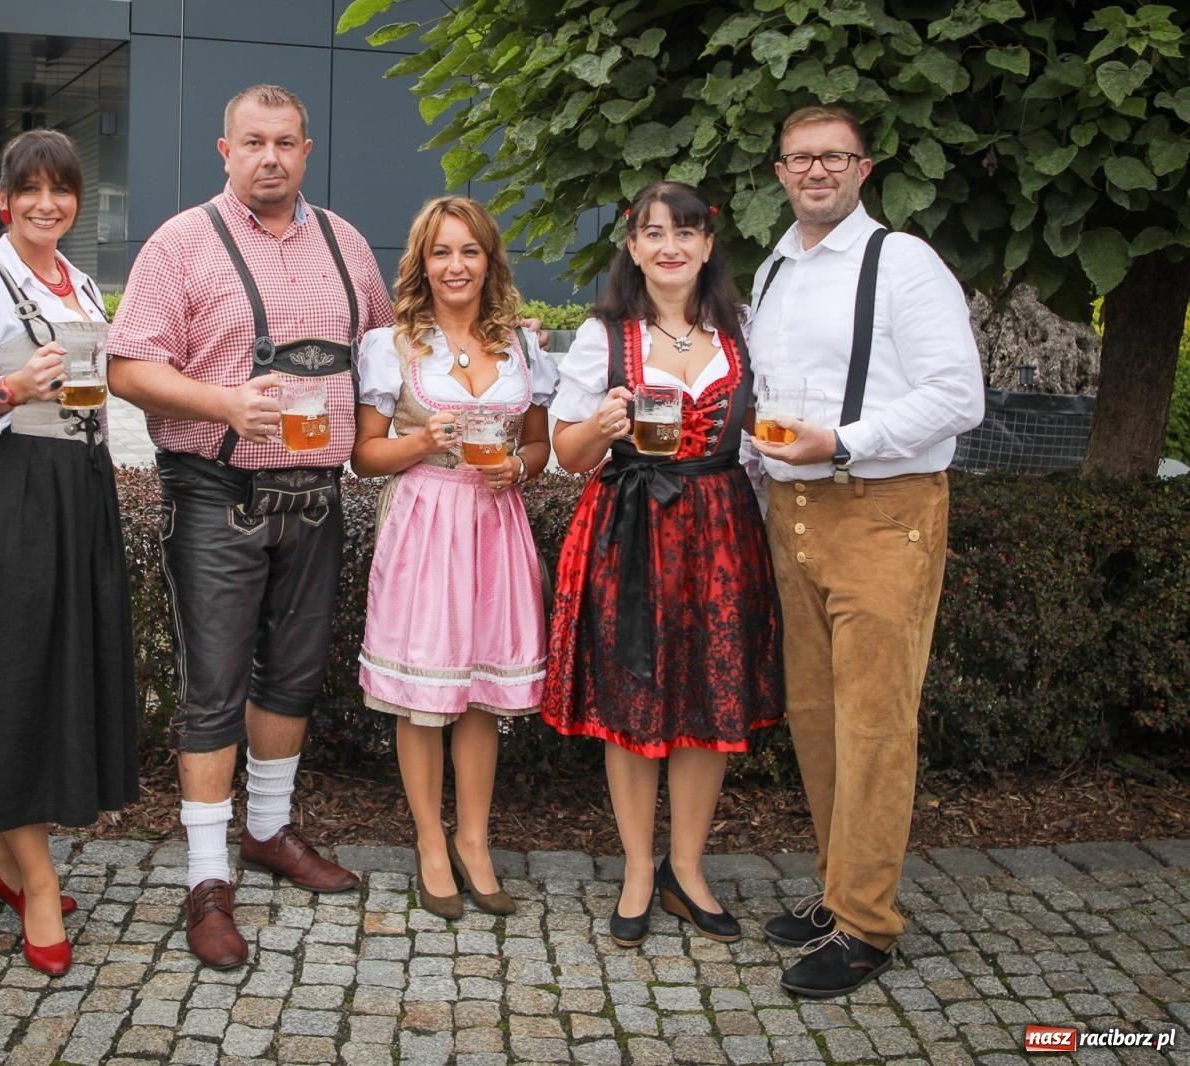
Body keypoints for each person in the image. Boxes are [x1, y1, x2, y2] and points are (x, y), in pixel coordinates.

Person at [106, 84, 393, 969]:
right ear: (225, 152)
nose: (270, 157)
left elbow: (383, 353)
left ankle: (268, 830)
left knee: (295, 676)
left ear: (307, 151)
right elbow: (125, 368)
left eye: (286, 143)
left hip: (316, 494)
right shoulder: (181, 243)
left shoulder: (347, 244)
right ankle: (205, 879)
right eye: (253, 143)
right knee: (213, 686)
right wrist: (224, 401)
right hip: (215, 491)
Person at [748, 106, 983, 997]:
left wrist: (843, 441)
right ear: (779, 172)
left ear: (863, 168)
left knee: (875, 723)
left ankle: (870, 925)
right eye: (800, 158)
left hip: (883, 510)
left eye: (834, 157)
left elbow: (958, 396)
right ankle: (838, 889)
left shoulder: (903, 262)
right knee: (814, 711)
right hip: (792, 510)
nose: (816, 171)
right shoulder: (773, 268)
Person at [542, 181, 782, 951]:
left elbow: (759, 442)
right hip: (631, 528)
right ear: (633, 247)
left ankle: (688, 867)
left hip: (719, 529)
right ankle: (639, 869)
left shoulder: (744, 336)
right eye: (653, 233)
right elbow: (565, 454)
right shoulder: (602, 336)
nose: (670, 246)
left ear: (709, 245)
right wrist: (601, 425)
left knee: (709, 703)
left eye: (685, 232)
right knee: (633, 700)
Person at [0, 129, 139, 977]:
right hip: (6, 490)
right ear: (5, 199)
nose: (48, 204)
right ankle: (35, 885)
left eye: (64, 189)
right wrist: (10, 388)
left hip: (76, 488)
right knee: (8, 675)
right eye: (31, 190)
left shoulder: (79, 281)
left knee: (51, 674)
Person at [351, 196, 556, 920]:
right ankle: (430, 843)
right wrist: (420, 441)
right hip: (426, 519)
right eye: (441, 252)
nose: (456, 265)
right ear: (422, 263)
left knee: (480, 694)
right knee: (424, 696)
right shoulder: (392, 344)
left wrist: (521, 470)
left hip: (495, 523)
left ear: (488, 260)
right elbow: (363, 457)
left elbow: (539, 443)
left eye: (469, 251)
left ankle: (474, 840)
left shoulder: (522, 345)